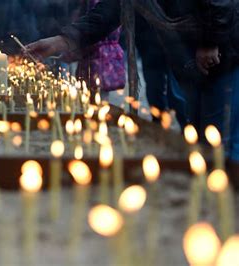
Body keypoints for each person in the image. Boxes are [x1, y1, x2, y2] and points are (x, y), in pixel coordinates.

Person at [25, 0, 239, 161]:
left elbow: (220, 2)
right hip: (189, 56)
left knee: (221, 139)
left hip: (224, 51)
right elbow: (112, 8)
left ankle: (226, 196)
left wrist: (211, 43)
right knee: (203, 135)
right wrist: (64, 40)